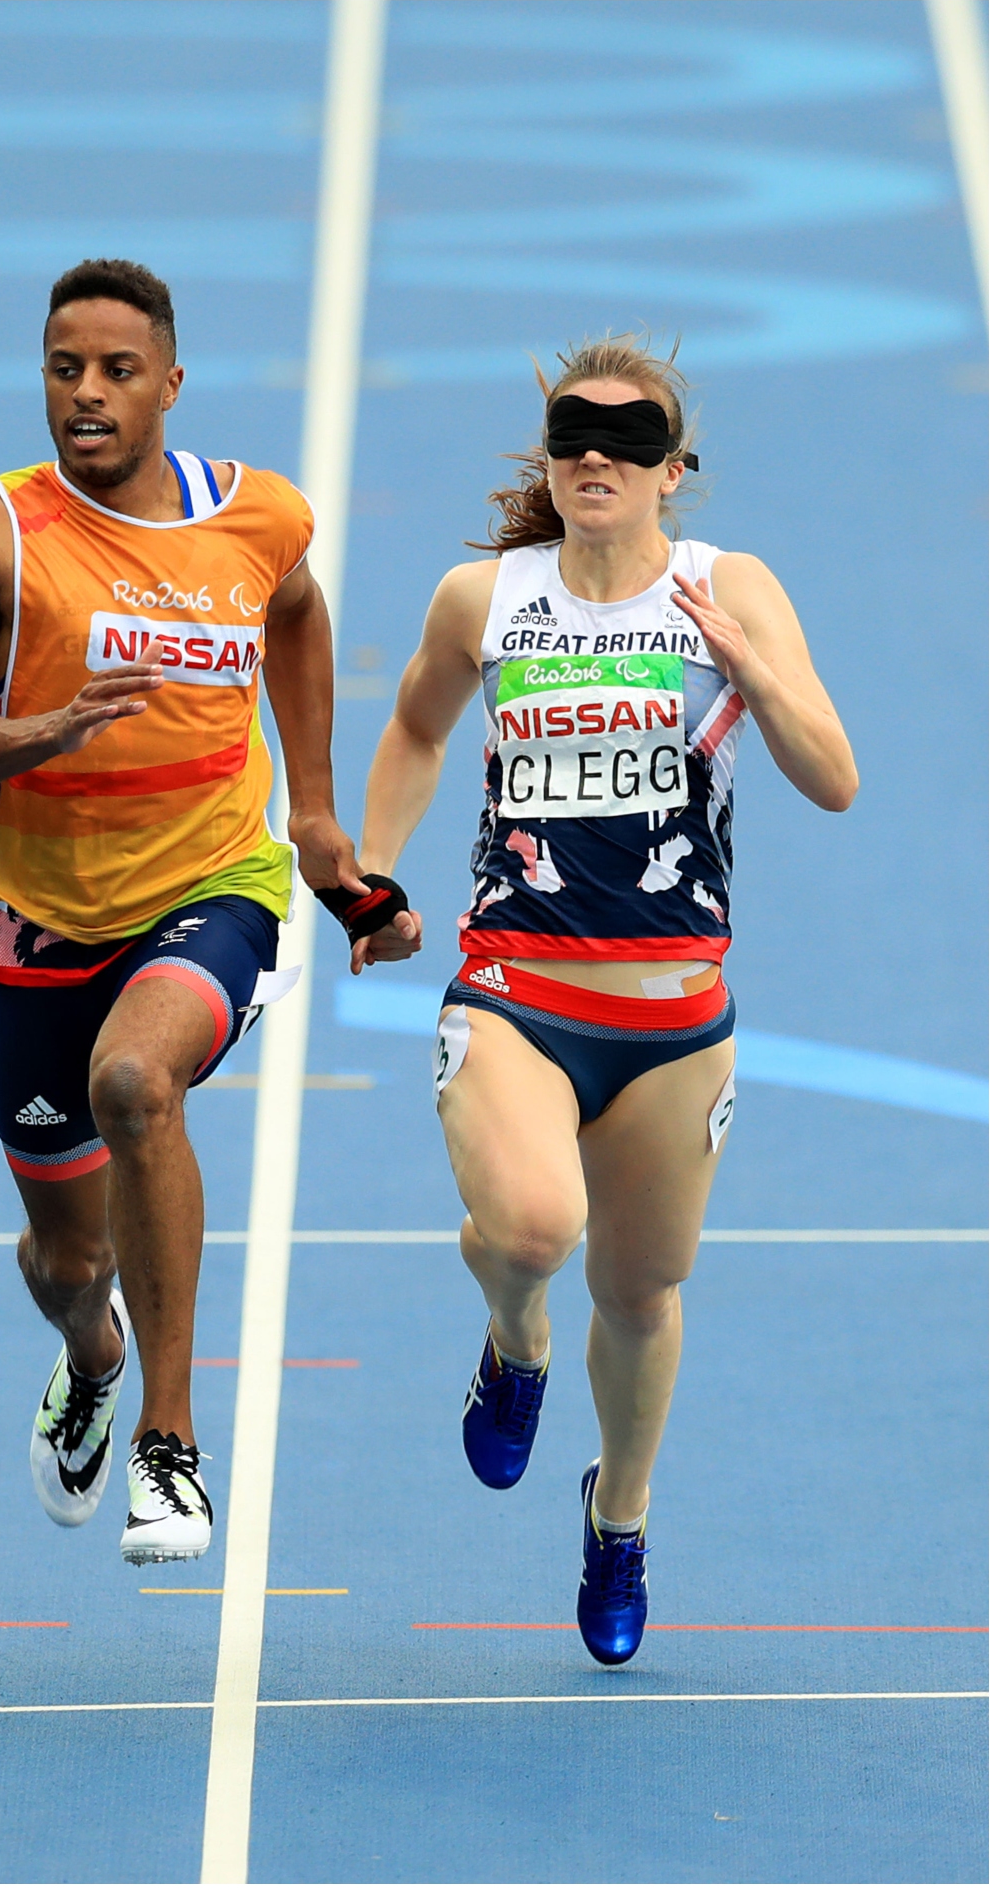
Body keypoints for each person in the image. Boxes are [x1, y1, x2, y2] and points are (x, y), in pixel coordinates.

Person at [0, 258, 407, 1564]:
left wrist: (314, 812)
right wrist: (38, 731)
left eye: (117, 370)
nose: (86, 392)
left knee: (138, 1085)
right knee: (66, 1265)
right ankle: (96, 1352)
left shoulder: (256, 517)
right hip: (44, 922)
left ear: (169, 384)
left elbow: (293, 610)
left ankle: (170, 1452)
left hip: (210, 888)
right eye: (64, 367)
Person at [358, 335, 853, 1664]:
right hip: (518, 990)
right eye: (576, 431)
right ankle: (515, 1349)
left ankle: (617, 1521)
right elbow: (414, 726)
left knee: (641, 1291)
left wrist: (748, 668)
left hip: (676, 1016)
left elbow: (834, 775)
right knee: (530, 1231)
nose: (596, 455)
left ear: (671, 473)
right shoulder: (487, 599)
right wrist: (367, 873)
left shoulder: (727, 587)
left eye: (630, 442)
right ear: (549, 453)